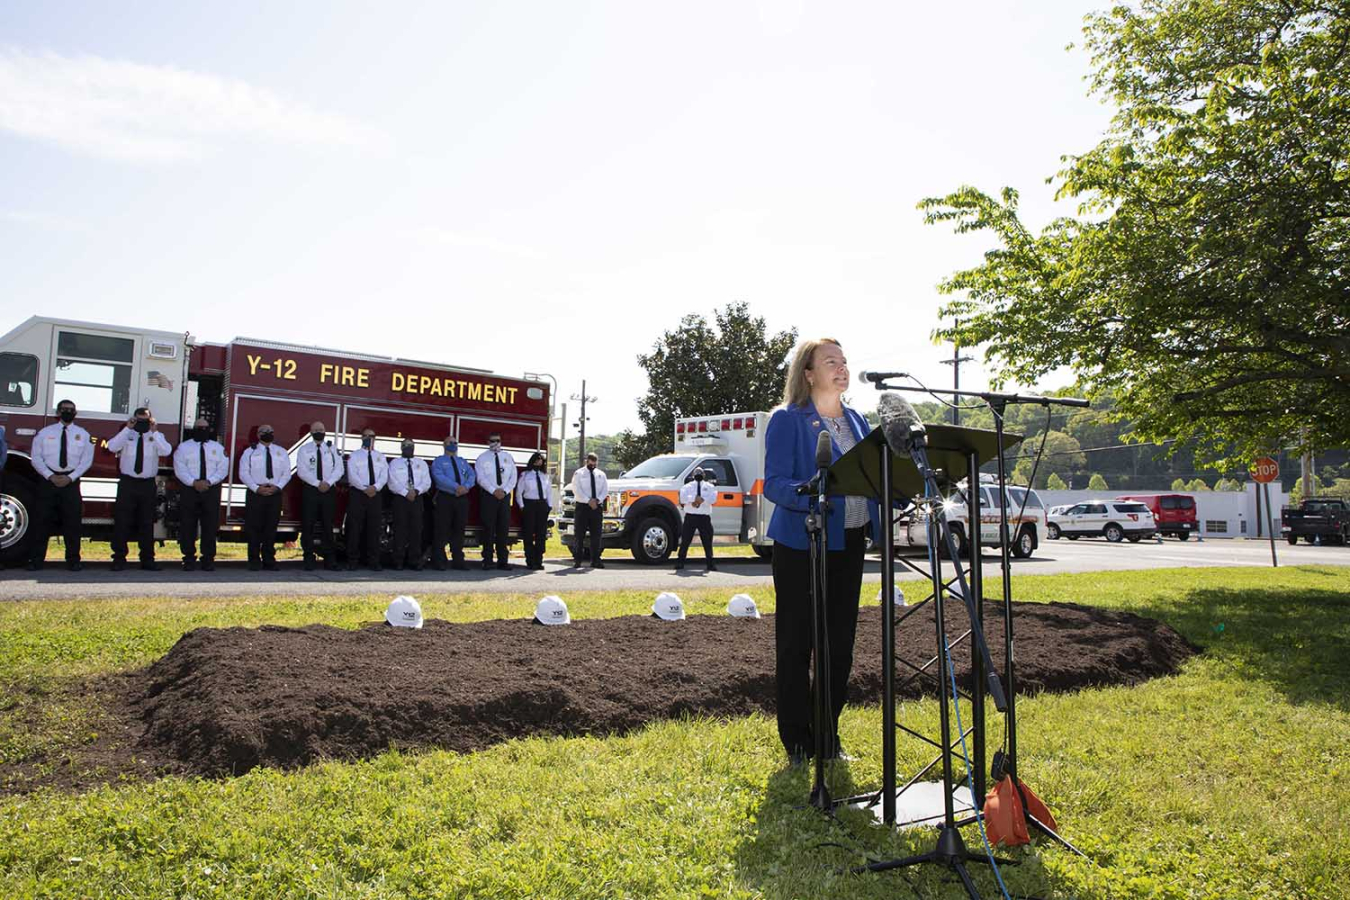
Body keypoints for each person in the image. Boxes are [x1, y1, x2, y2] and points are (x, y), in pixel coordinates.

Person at [764, 338, 880, 765]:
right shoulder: (788, 420)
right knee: (797, 646)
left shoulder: (857, 420)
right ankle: (797, 743)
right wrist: (809, 491)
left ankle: (828, 739)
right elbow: (774, 482)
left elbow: (873, 476)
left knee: (839, 647)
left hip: (849, 545)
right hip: (801, 545)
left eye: (845, 361)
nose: (842, 367)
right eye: (831, 361)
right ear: (808, 373)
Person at [27, 399, 94, 571]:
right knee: (41, 522)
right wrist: (50, 476)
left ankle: (73, 560)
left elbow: (86, 461)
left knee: (72, 524)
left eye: (71, 409)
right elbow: (36, 458)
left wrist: (70, 477)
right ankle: (36, 560)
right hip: (47, 481)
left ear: (75, 413)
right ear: (58, 412)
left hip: (71, 482)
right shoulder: (44, 433)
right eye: (64, 409)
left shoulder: (83, 435)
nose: (68, 412)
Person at [107, 407, 172, 571]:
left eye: (146, 420)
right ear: (134, 419)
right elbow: (112, 447)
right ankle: (119, 559)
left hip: (147, 483)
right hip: (128, 483)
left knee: (146, 522)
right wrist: (128, 428)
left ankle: (147, 559)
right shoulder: (127, 434)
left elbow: (166, 450)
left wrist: (154, 431)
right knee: (122, 521)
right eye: (139, 420)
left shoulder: (156, 436)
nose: (142, 424)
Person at [172, 417, 228, 571]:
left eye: (205, 428)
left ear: (209, 430)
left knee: (209, 526)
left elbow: (223, 469)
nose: (202, 430)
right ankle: (188, 559)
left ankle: (208, 559)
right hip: (189, 489)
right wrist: (193, 482)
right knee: (188, 525)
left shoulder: (217, 448)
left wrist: (209, 482)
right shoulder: (183, 448)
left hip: (211, 489)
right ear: (193, 429)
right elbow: (180, 468)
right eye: (199, 427)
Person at [239, 423, 291, 571]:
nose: (267, 433)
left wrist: (277, 487)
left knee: (270, 528)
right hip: (256, 493)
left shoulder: (281, 452)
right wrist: (256, 488)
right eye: (264, 431)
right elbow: (243, 473)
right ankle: (254, 561)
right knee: (253, 529)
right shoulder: (249, 452)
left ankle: (269, 561)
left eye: (270, 431)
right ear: (258, 435)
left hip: (275, 493)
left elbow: (286, 473)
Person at [293, 420, 344, 571]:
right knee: (308, 525)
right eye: (316, 429)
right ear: (311, 432)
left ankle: (330, 560)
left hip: (328, 490)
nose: (319, 431)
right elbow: (302, 471)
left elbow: (339, 469)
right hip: (311, 491)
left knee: (328, 526)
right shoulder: (304, 450)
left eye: (321, 429)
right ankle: (308, 558)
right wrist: (317, 483)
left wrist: (328, 483)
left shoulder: (332, 449)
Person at [344, 427, 388, 571]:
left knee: (374, 529)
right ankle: (352, 561)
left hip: (375, 495)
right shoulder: (354, 456)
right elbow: (352, 475)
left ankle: (373, 561)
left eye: (372, 436)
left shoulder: (380, 457)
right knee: (355, 528)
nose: (369, 438)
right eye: (366, 436)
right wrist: (365, 489)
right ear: (362, 438)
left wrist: (375, 487)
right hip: (358, 494)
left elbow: (384, 475)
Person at [430, 435, 475, 570]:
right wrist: (456, 487)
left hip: (461, 499)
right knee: (441, 530)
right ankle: (439, 561)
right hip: (445, 497)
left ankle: (458, 561)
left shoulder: (462, 462)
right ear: (444, 445)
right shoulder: (439, 461)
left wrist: (465, 487)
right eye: (450, 442)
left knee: (459, 530)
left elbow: (472, 475)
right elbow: (439, 478)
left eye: (455, 443)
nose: (453, 444)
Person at [474, 432, 517, 570]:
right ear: (488, 442)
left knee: (503, 529)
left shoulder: (508, 457)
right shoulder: (482, 458)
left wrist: (504, 491)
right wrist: (493, 490)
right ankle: (487, 560)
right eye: (492, 440)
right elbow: (480, 478)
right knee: (488, 528)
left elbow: (513, 477)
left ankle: (502, 560)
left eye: (498, 440)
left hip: (504, 497)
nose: (495, 443)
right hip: (488, 497)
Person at [387, 438, 431, 570]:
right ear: (401, 448)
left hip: (417, 499)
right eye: (405, 446)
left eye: (410, 445)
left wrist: (416, 491)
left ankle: (414, 560)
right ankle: (398, 561)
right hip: (400, 499)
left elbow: (427, 482)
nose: (408, 448)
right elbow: (391, 482)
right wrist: (405, 492)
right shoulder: (394, 463)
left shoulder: (421, 463)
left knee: (416, 531)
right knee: (400, 530)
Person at [674, 466, 717, 571]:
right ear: (693, 475)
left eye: (700, 472)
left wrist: (702, 500)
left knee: (707, 542)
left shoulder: (710, 486)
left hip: (704, 518)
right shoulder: (687, 487)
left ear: (704, 475)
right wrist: (693, 499)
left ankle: (710, 564)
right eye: (696, 472)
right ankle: (680, 562)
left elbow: (713, 499)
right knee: (685, 541)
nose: (698, 474)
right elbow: (683, 498)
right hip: (690, 517)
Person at [515, 451, 552, 570]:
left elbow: (549, 492)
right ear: (532, 461)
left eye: (540, 459)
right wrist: (522, 506)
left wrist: (549, 506)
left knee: (541, 534)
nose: (538, 461)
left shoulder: (545, 476)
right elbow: (519, 492)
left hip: (542, 505)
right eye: (536, 459)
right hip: (529, 505)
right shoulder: (525, 475)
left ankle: (539, 560)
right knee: (529, 534)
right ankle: (530, 560)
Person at [570, 452, 608, 568]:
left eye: (595, 462)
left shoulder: (601, 474)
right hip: (583, 506)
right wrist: (588, 501)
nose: (593, 464)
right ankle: (577, 560)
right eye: (591, 461)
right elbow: (576, 489)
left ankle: (596, 560)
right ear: (587, 461)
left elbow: (605, 490)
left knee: (596, 534)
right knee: (579, 534)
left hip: (596, 507)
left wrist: (598, 500)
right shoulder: (579, 473)